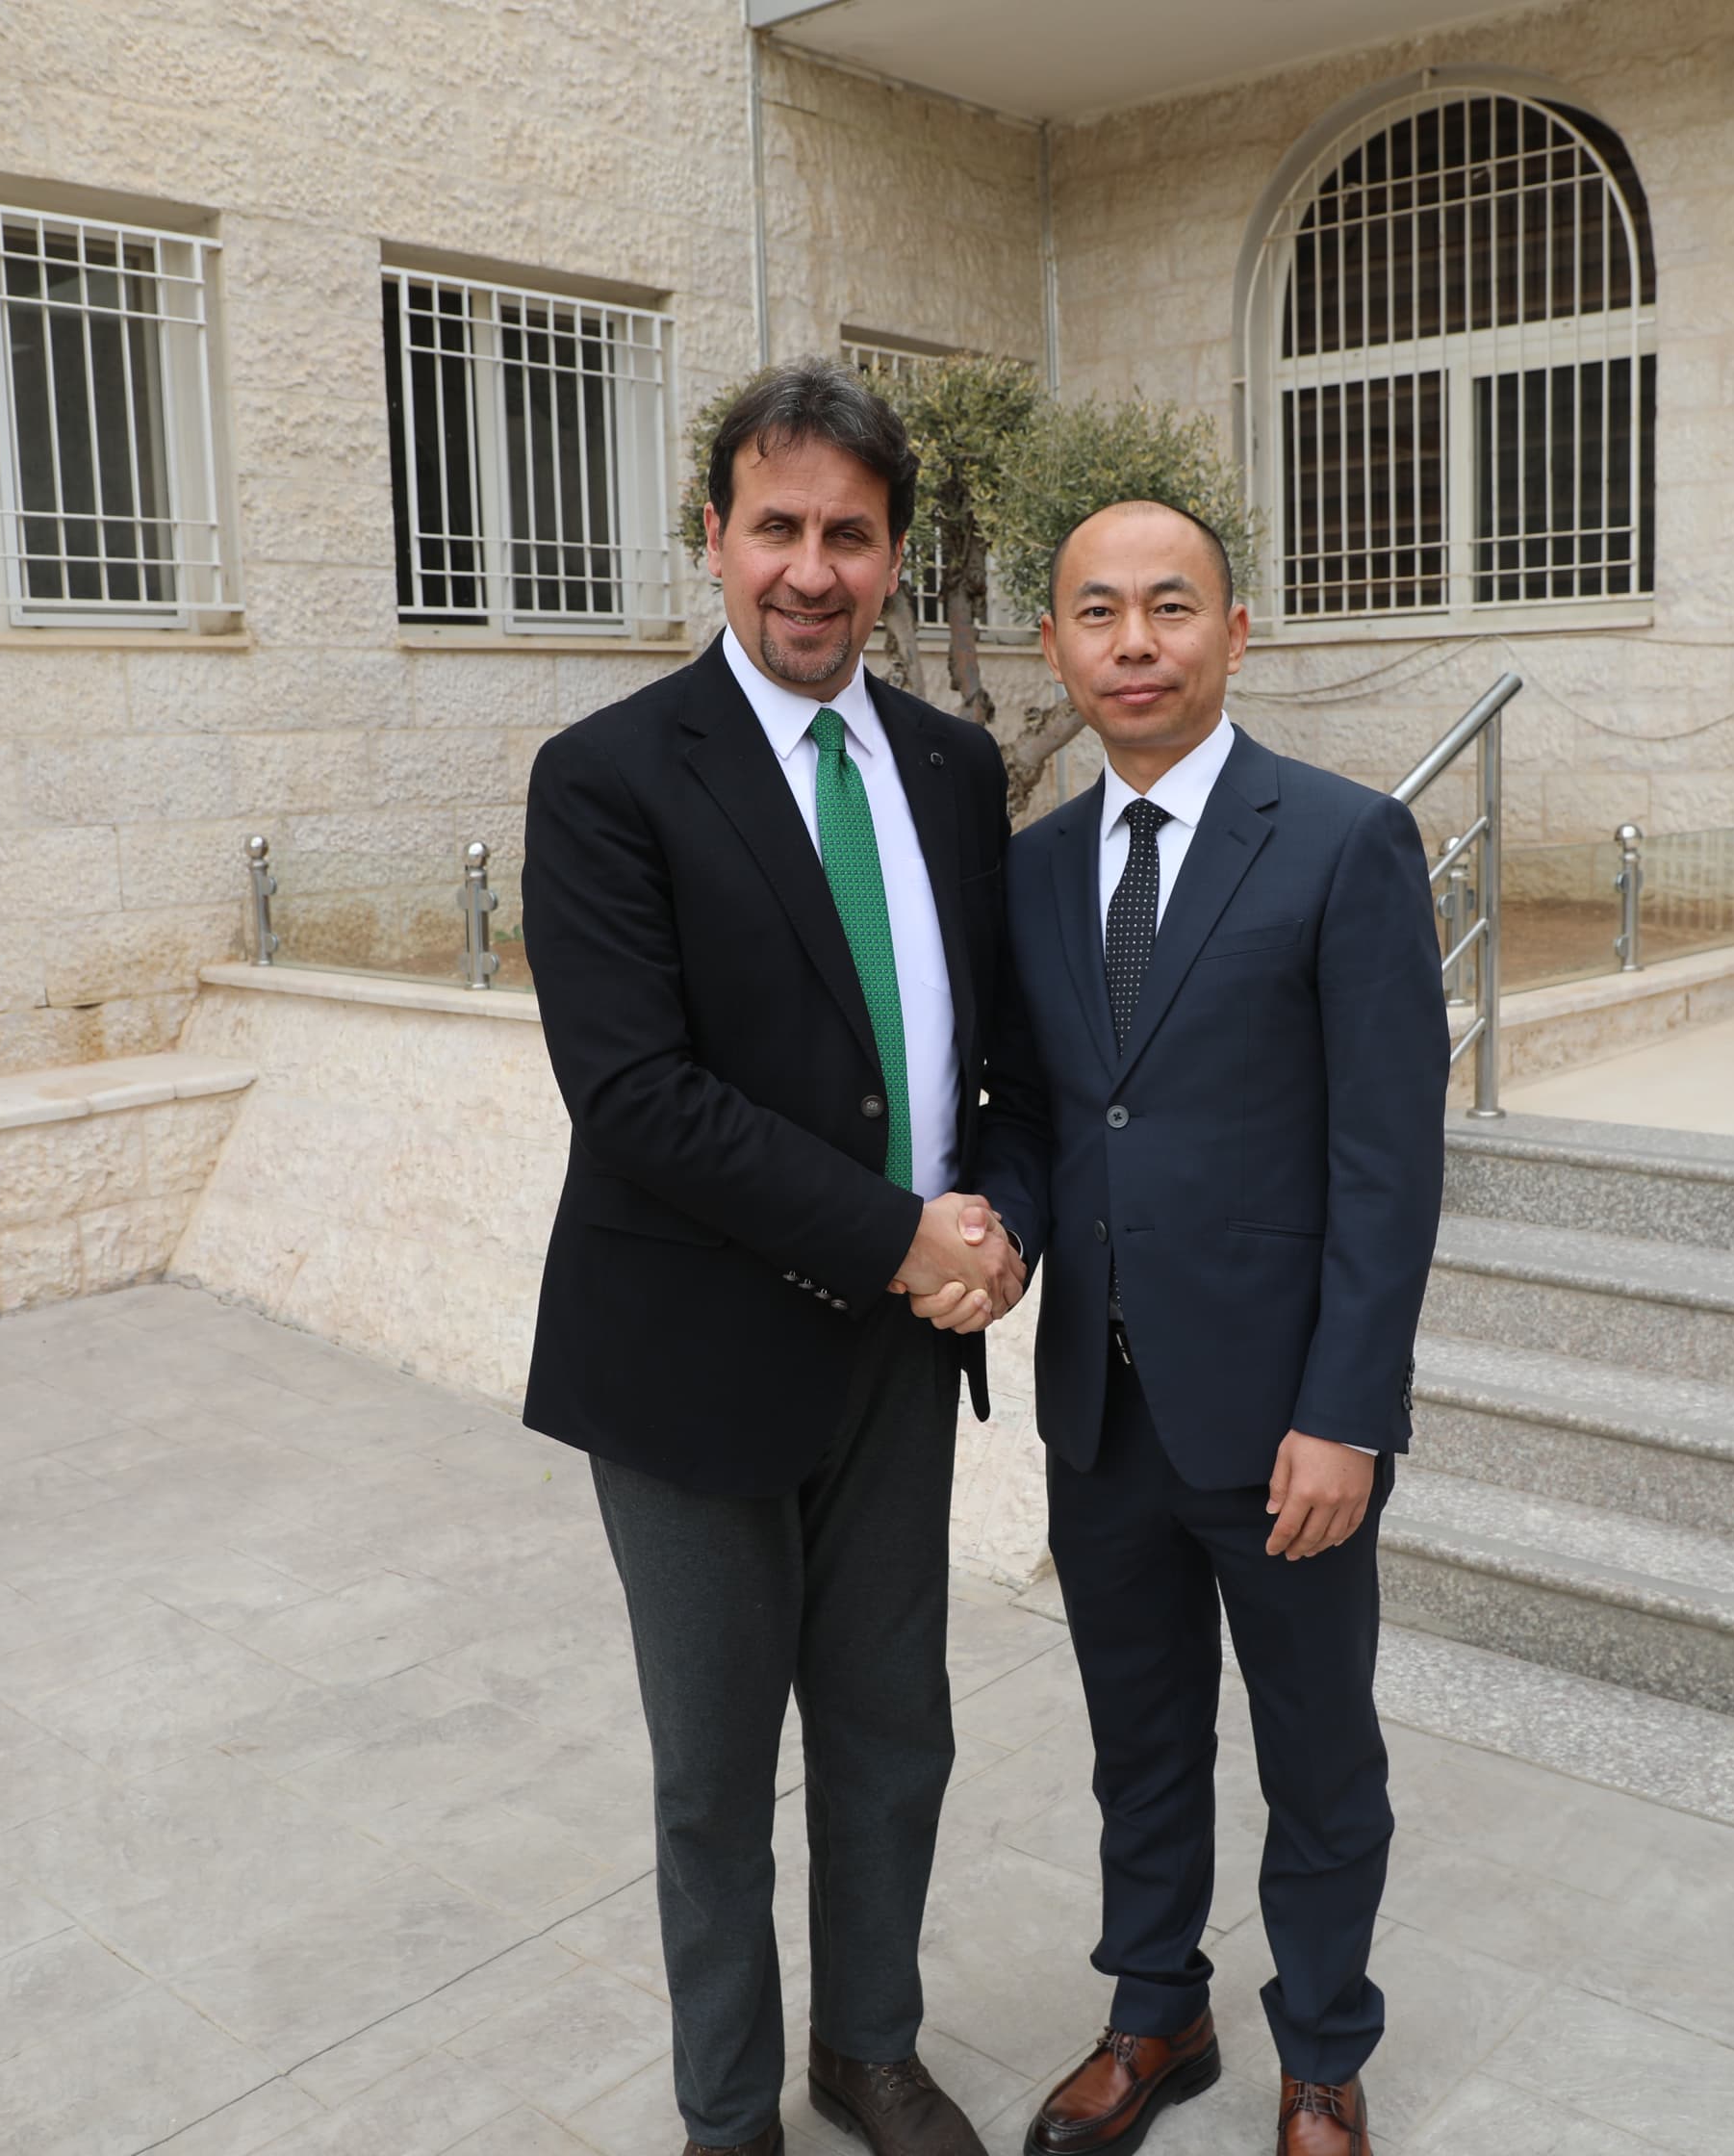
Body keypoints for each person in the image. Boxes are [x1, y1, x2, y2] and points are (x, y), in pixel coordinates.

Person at [521, 361, 1025, 2156]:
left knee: (896, 1731)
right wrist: (899, 1234)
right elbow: (636, 1096)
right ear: (715, 536)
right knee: (717, 1776)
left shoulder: (955, 771)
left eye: (851, 535)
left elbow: (994, 1062)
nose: (813, 570)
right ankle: (728, 2112)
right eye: (779, 528)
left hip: (895, 1359)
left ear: (895, 556)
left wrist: (997, 1227)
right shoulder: (607, 777)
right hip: (690, 1360)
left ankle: (866, 2050)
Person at [959, 500, 1447, 2156]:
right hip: (1101, 1408)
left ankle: (1321, 2049)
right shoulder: (1033, 870)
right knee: (1141, 1742)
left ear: (1235, 633)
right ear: (1054, 647)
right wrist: (1005, 1229)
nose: (1136, 642)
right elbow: (1037, 1112)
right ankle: (1155, 2011)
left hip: (1282, 1421)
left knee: (1320, 1755)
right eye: (1098, 612)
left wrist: (1349, 1411)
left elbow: (1389, 1161)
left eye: (1171, 607)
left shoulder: (1342, 842)